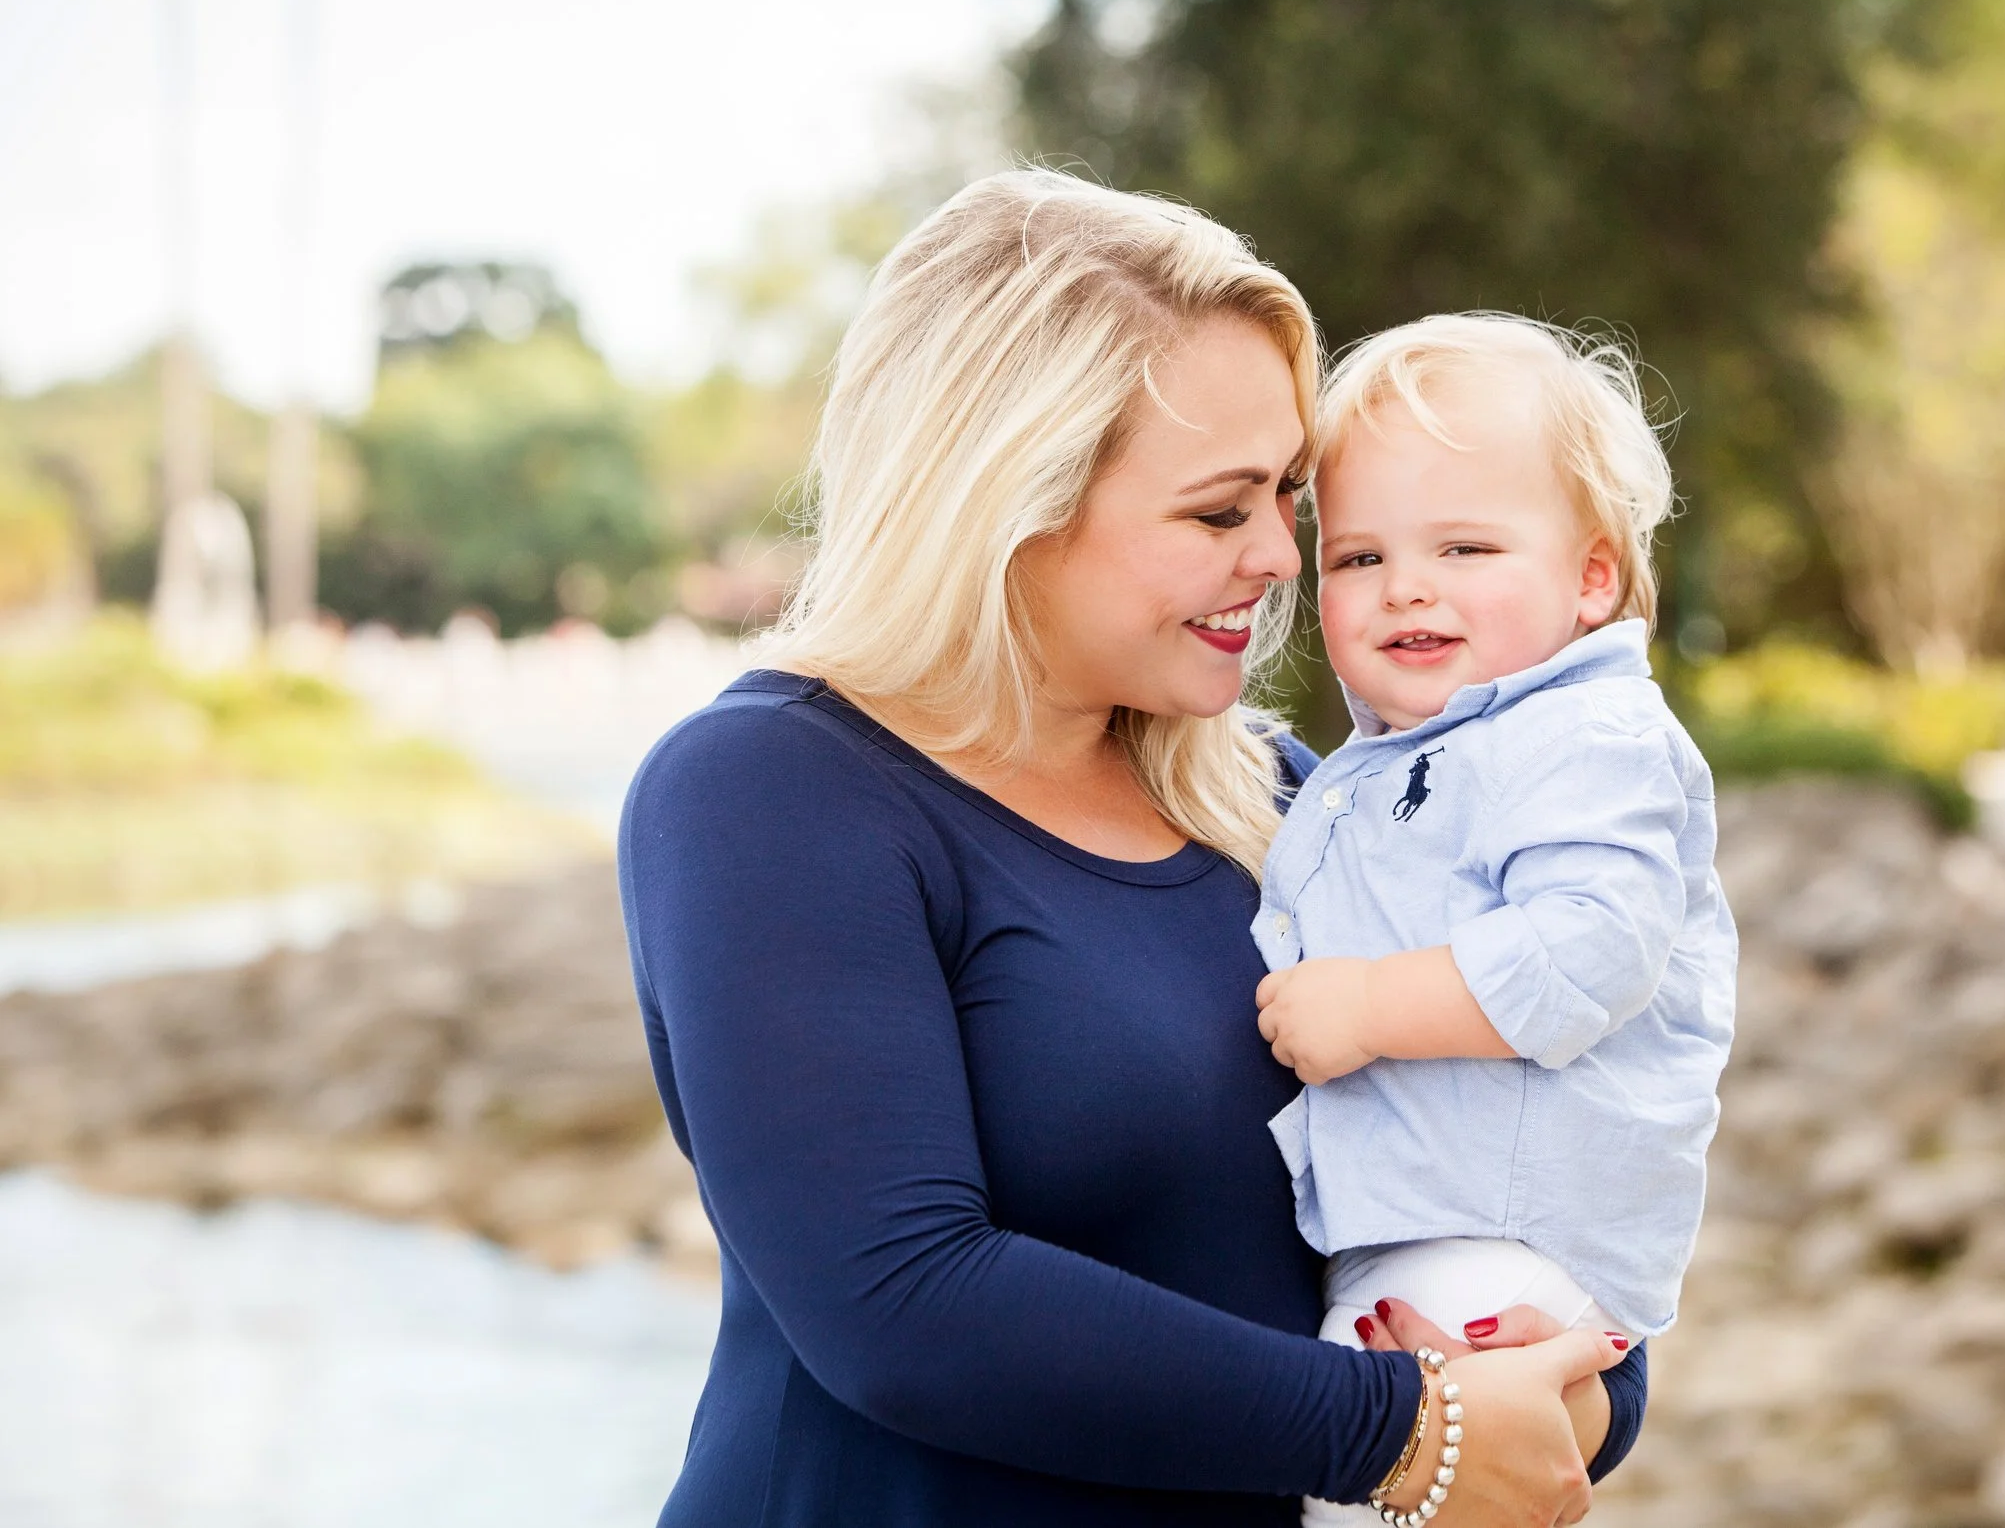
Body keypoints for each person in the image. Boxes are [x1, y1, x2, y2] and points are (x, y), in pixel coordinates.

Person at [618, 171, 1647, 1527]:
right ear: (1012, 496)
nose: (1284, 554)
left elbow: (1524, 1156)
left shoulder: (1295, 799)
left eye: (1287, 495)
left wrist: (1571, 1375)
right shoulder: (770, 788)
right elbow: (901, 1298)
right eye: (1221, 510)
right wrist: (1406, 1431)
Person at [1248, 315, 1738, 1527]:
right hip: (1424, 1234)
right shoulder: (1404, 756)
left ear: (1590, 575)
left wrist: (1365, 1006)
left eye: (1465, 545)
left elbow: (1592, 945)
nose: (1406, 584)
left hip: (1494, 1246)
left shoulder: (1584, 735)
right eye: (1359, 557)